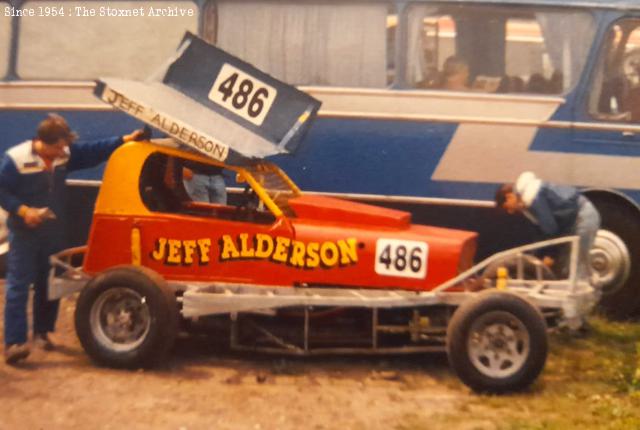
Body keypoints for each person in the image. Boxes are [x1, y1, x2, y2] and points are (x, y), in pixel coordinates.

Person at [0, 113, 145, 364]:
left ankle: (43, 333)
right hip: (25, 232)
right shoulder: (16, 159)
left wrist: (124, 139)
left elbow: (91, 151)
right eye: (58, 147)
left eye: (65, 146)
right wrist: (22, 210)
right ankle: (14, 342)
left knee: (50, 282)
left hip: (52, 231)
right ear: (43, 142)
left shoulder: (63, 153)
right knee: (19, 285)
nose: (63, 152)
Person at [495, 171, 601, 284]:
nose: (510, 212)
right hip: (572, 222)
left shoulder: (532, 197)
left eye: (508, 208)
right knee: (567, 266)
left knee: (578, 266)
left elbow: (550, 229)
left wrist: (550, 255)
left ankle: (583, 296)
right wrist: (536, 258)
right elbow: (540, 235)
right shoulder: (526, 206)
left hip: (583, 217)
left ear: (509, 196)